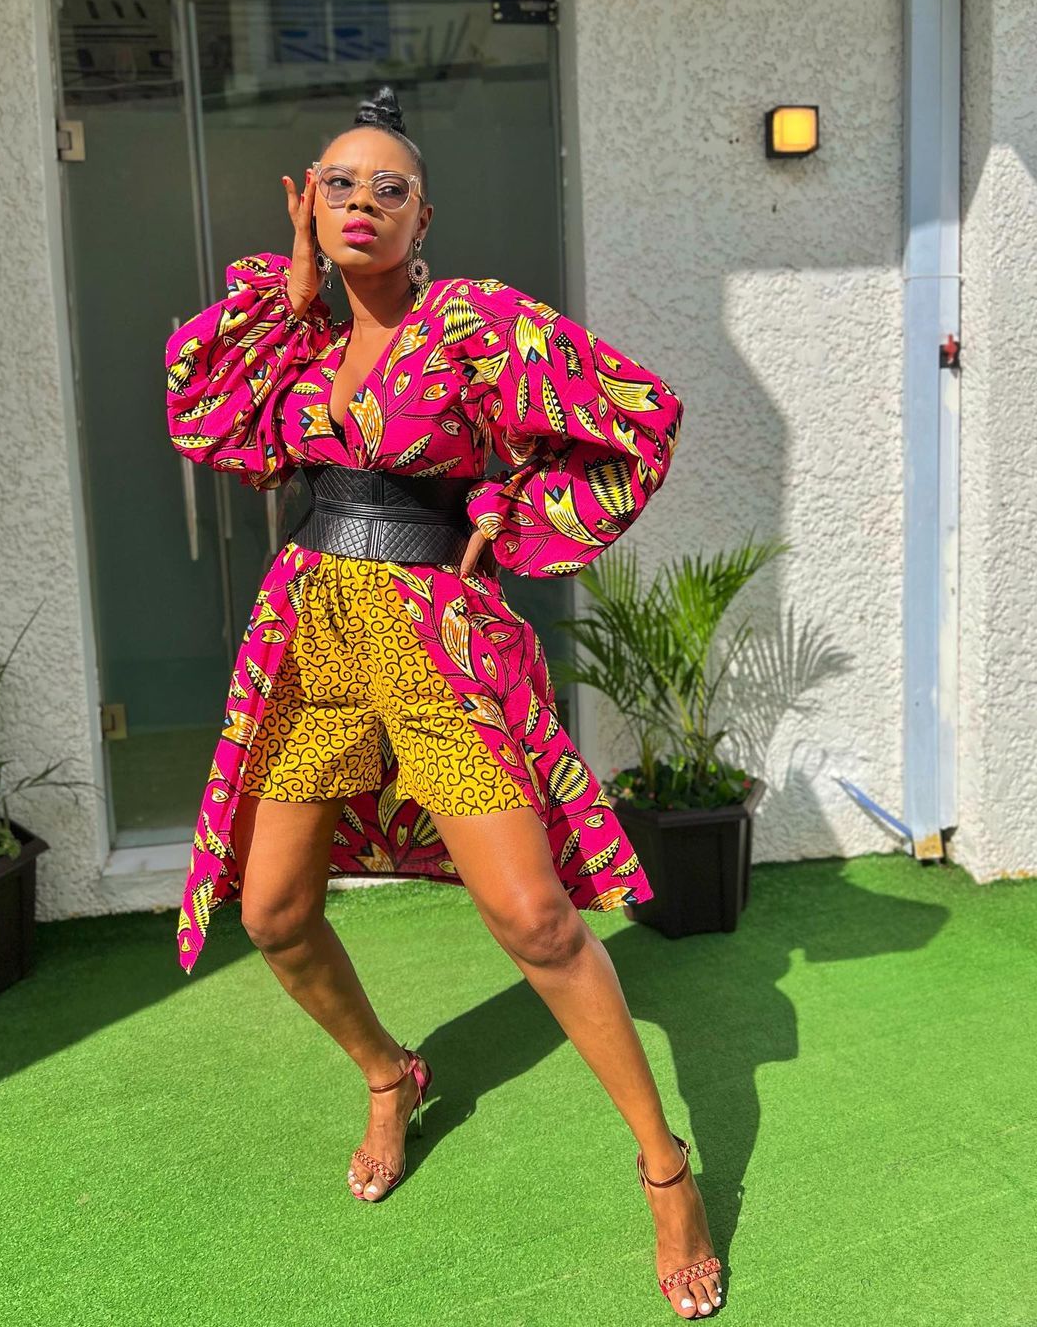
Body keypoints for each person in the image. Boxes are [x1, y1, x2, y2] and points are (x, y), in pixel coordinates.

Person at [164, 84, 722, 1318]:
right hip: (314, 631)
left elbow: (638, 417)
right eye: (339, 184)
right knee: (274, 909)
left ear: (426, 219)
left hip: (431, 643)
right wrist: (288, 292)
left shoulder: (477, 322)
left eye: (390, 188)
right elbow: (206, 416)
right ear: (307, 204)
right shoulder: (295, 330)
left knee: (536, 919)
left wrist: (509, 514)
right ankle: (388, 1071)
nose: (362, 202)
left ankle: (665, 1167)